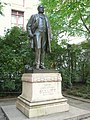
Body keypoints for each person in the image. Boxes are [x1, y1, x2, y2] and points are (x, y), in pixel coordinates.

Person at [26, 5, 52, 69]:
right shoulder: (34, 16)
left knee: (43, 49)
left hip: (45, 33)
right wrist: (30, 33)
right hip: (37, 33)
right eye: (41, 8)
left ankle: (42, 64)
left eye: (43, 8)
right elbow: (28, 26)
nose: (42, 9)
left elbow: (49, 27)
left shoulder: (46, 17)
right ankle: (37, 63)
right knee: (38, 48)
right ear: (38, 9)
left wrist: (50, 35)